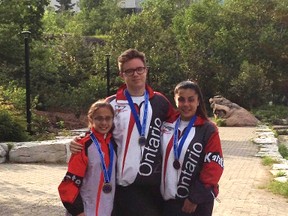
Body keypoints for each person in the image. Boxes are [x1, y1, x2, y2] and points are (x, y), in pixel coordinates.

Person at [70, 48, 176, 216]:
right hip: (121, 185)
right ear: (122, 75)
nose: (136, 74)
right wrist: (78, 142)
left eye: (139, 69)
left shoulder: (160, 101)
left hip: (153, 185)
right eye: (129, 71)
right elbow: (97, 132)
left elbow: (180, 126)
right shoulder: (111, 103)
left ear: (146, 70)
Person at [160, 80, 224, 216]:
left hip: (195, 203)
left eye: (191, 100)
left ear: (198, 101)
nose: (186, 104)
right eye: (181, 100)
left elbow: (214, 167)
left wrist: (195, 197)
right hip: (168, 201)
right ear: (175, 100)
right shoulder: (166, 125)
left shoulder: (208, 129)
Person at [58, 100, 117, 216]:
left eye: (108, 118)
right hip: (85, 210)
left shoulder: (114, 144)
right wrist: (78, 211)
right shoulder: (83, 145)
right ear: (91, 119)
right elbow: (68, 185)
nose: (104, 122)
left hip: (107, 209)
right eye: (99, 118)